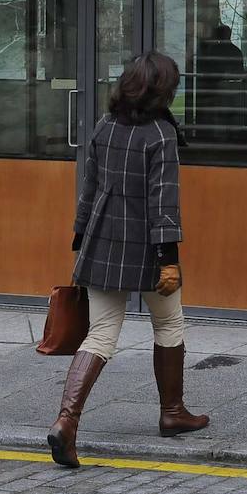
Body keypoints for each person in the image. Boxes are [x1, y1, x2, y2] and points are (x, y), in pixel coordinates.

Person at [47, 51, 208, 469]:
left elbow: (89, 186)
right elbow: (164, 203)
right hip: (148, 247)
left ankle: (67, 421)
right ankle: (172, 412)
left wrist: (81, 237)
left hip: (102, 241)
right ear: (161, 90)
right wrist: (169, 259)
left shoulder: (105, 125)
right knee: (169, 323)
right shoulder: (160, 134)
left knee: (101, 333)